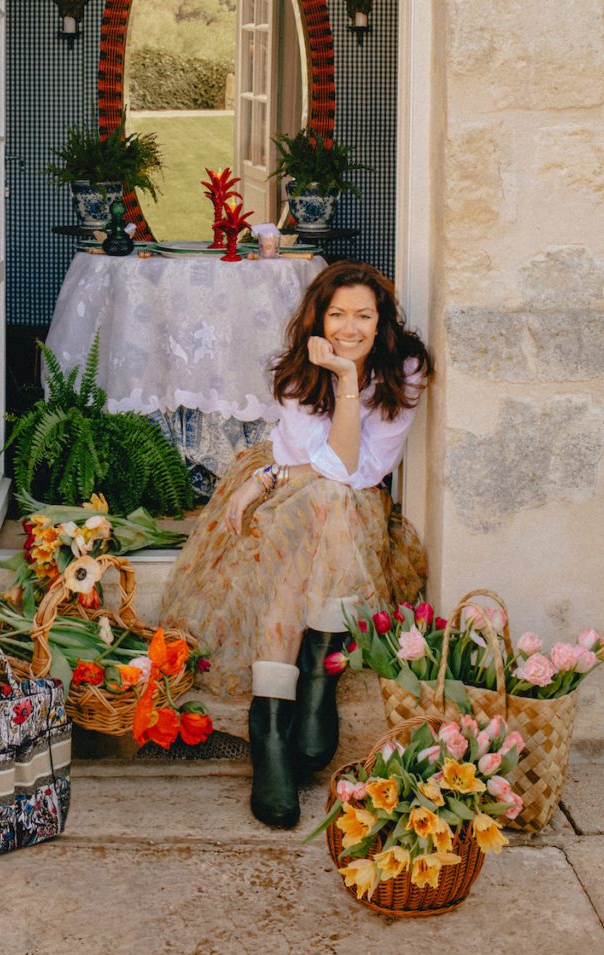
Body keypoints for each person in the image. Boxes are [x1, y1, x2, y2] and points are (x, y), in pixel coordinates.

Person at [161, 260, 434, 828]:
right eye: (338, 315)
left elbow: (356, 471)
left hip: (339, 498)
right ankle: (286, 709)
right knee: (316, 516)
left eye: (364, 316)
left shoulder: (405, 369)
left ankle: (293, 696)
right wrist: (272, 477)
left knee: (331, 504)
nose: (350, 329)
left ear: (382, 321)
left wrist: (348, 381)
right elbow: (328, 464)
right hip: (291, 494)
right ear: (319, 318)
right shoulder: (295, 372)